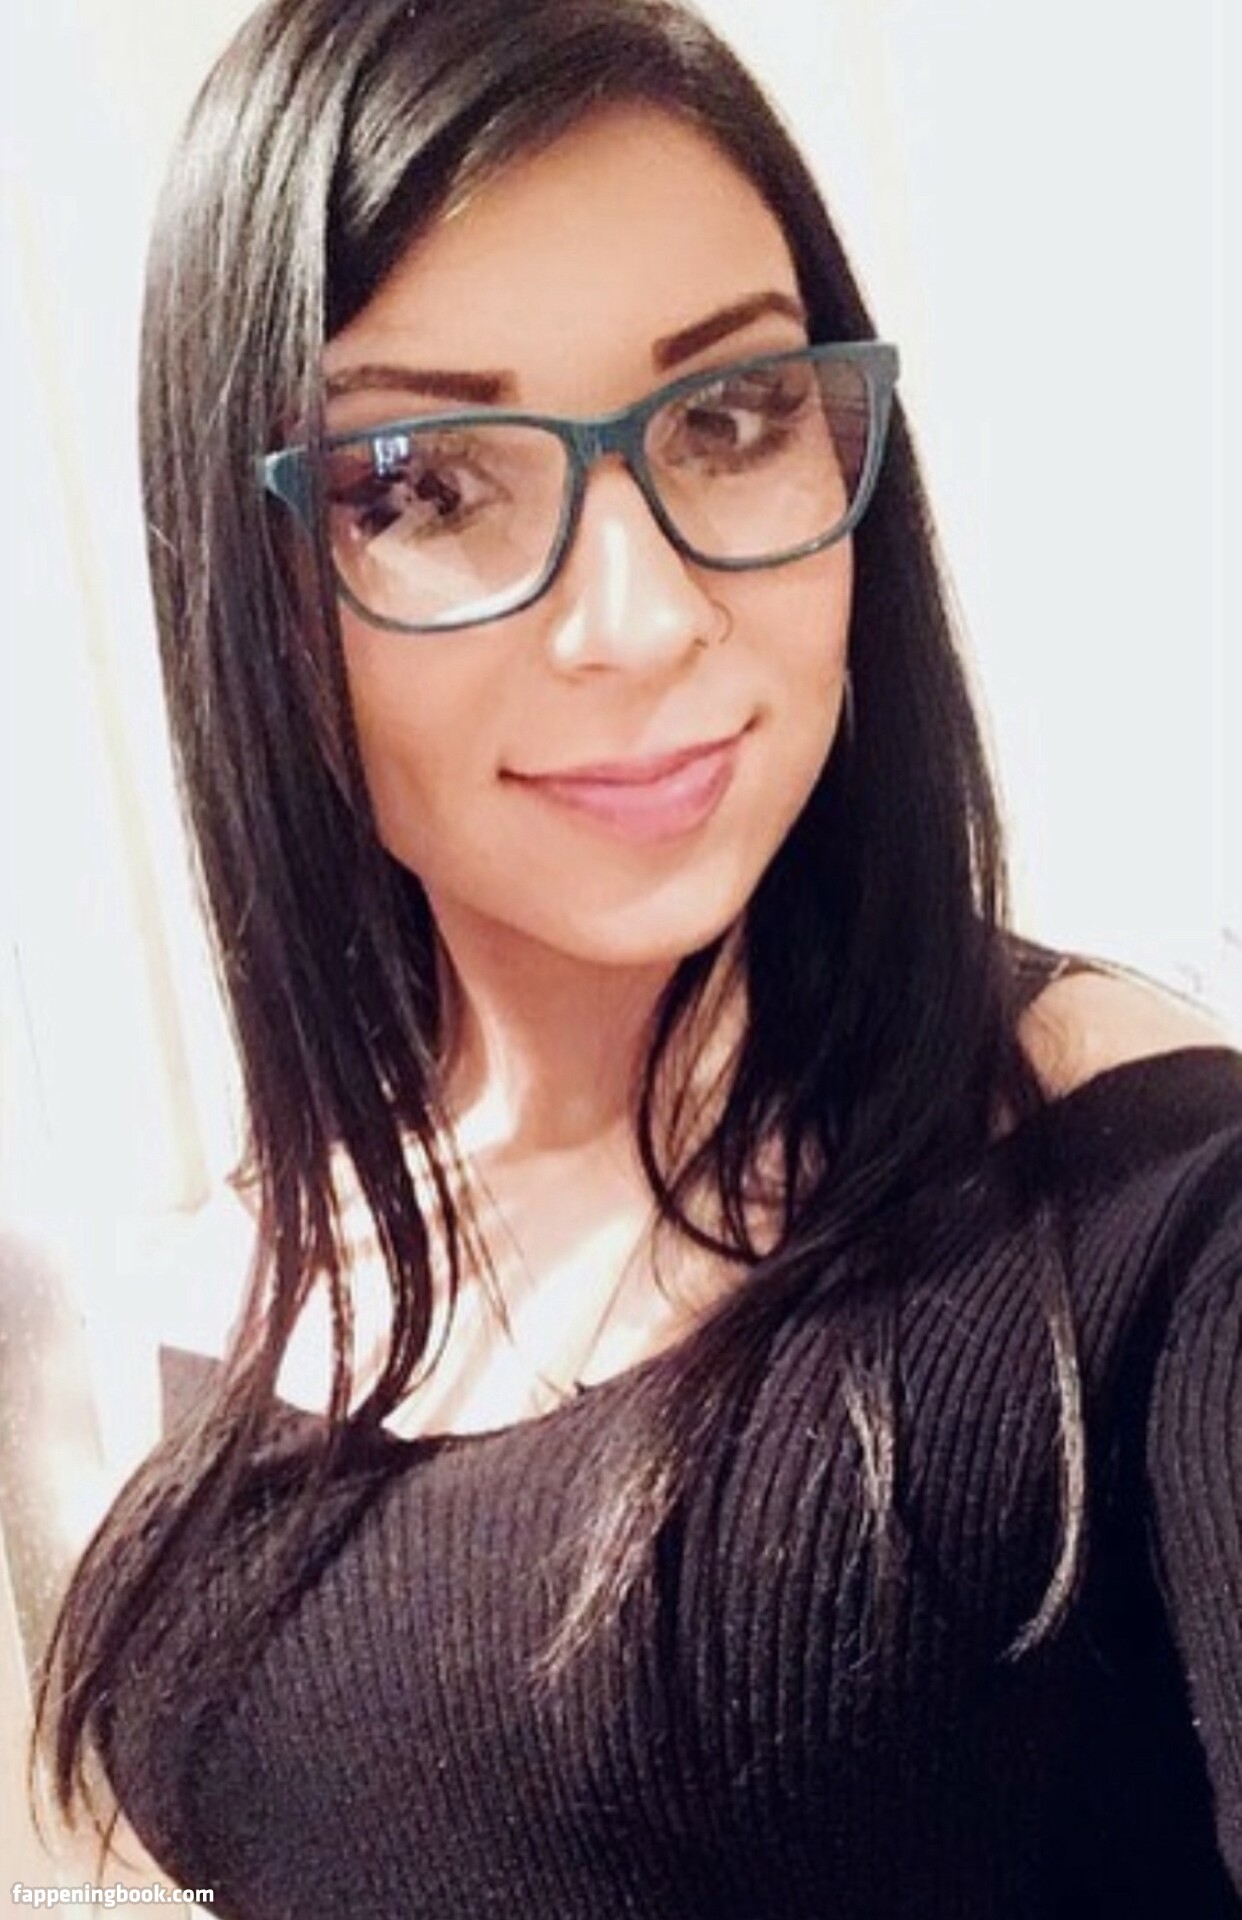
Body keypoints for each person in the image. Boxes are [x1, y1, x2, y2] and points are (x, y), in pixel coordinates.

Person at [36, 0, 1241, 1914]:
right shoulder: (227, 1295)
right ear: (240, 575)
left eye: (730, 419)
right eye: (415, 483)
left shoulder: (1142, 1201)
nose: (643, 616)